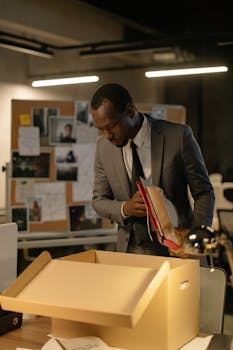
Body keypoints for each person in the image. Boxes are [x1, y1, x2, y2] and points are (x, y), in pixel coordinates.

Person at [90, 83, 215, 258]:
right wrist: (126, 208)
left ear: (130, 110)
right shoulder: (103, 147)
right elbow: (99, 200)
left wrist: (196, 237)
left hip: (178, 249)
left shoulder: (178, 137)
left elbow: (204, 193)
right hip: (129, 251)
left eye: (111, 126)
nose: (107, 135)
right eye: (101, 130)